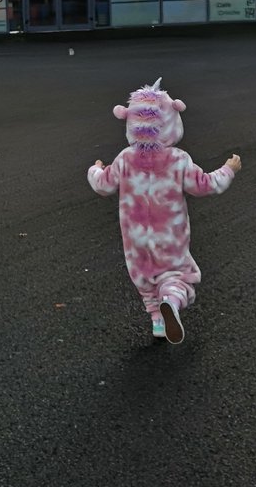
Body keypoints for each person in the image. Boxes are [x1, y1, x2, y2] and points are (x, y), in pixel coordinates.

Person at [87, 77, 241, 345]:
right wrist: (229, 169)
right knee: (176, 277)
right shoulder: (177, 160)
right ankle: (171, 300)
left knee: (145, 279)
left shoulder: (124, 159)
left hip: (135, 241)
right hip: (169, 237)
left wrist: (95, 169)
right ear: (169, 122)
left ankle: (158, 321)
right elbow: (205, 185)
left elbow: (102, 185)